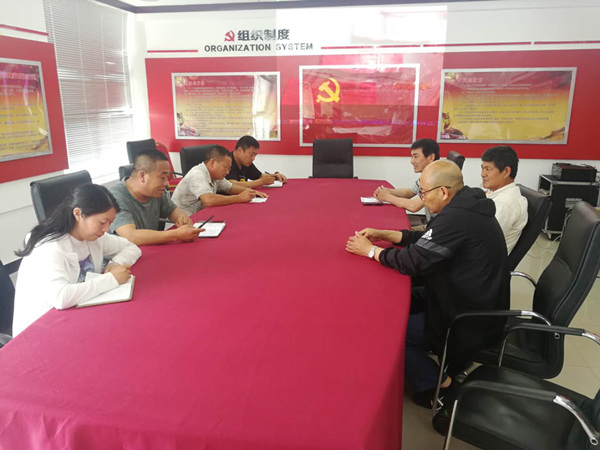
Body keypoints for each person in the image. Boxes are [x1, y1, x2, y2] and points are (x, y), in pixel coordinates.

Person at [346, 160, 509, 409]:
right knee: (391, 302)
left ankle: (440, 386)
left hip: (464, 315)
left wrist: (370, 251)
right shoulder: (466, 205)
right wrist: (387, 234)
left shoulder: (457, 218)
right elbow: (428, 239)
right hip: (457, 293)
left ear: (442, 191)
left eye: (423, 193)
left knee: (392, 333)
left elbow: (412, 262)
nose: (421, 198)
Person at [13, 184, 142, 336]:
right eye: (102, 222)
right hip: (40, 330)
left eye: (110, 223)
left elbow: (132, 247)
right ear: (78, 214)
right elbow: (61, 297)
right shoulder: (50, 247)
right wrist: (111, 279)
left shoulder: (94, 236)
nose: (106, 229)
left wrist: (115, 264)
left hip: (76, 314)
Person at [110, 149, 202, 246]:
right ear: (142, 176)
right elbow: (131, 236)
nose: (166, 183)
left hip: (149, 249)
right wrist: (176, 234)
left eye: (167, 178)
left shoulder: (155, 192)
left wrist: (182, 218)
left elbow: (173, 211)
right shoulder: (115, 197)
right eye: (162, 178)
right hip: (122, 253)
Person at [172, 145, 268, 216]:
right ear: (212, 163)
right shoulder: (198, 174)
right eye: (225, 168)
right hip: (183, 220)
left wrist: (251, 191)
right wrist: (239, 198)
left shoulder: (216, 175)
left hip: (202, 215)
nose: (227, 172)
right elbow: (208, 200)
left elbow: (230, 188)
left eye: (229, 169)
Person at [372, 139, 440, 227]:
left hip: (438, 230)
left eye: (416, 157)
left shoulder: (436, 177)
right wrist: (388, 191)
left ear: (431, 157)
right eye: (412, 157)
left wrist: (387, 197)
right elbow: (409, 192)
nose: (412, 161)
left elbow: (414, 206)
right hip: (430, 226)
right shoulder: (427, 174)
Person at [481, 146, 528, 253]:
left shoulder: (505, 204)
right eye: (482, 168)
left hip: (484, 260)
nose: (482, 174)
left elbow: (484, 242)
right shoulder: (497, 194)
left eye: (488, 169)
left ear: (506, 171)